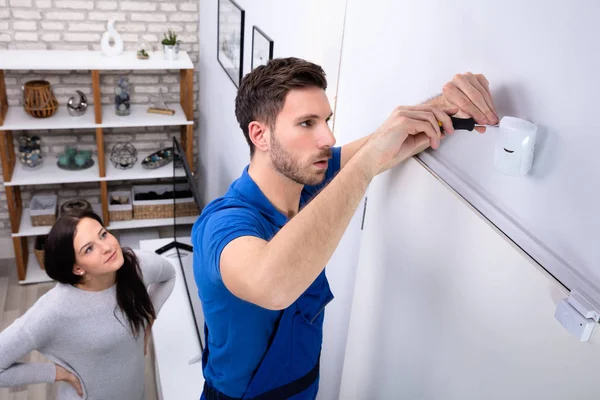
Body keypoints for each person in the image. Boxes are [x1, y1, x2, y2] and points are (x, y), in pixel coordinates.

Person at [192, 57, 498, 399]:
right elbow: (272, 285)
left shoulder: (309, 180)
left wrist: (450, 103)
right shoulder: (223, 223)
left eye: (325, 120)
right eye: (307, 123)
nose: (328, 137)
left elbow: (391, 140)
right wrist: (368, 162)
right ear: (259, 135)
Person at [0, 210, 176, 399]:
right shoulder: (53, 310)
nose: (107, 247)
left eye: (103, 234)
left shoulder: (136, 266)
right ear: (77, 268)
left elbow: (169, 276)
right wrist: (59, 373)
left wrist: (147, 321)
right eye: (89, 249)